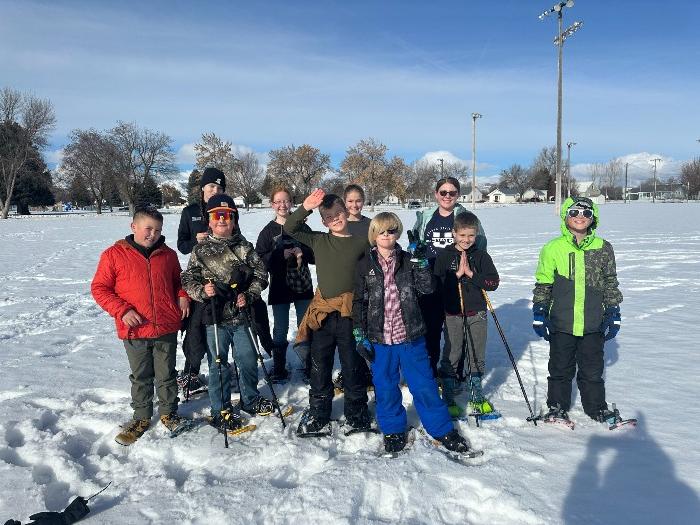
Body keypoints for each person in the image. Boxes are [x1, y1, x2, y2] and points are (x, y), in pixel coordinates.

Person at [353, 212, 473, 454]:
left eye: (392, 230)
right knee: (385, 387)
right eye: (382, 231)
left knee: (424, 385)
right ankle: (393, 429)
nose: (388, 235)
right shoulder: (364, 264)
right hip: (379, 338)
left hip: (410, 335)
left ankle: (441, 429)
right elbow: (359, 301)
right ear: (374, 234)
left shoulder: (409, 260)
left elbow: (427, 288)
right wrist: (359, 332)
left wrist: (421, 263)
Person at [91, 205, 191, 445]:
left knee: (167, 374)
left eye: (157, 230)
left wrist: (183, 294)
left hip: (165, 325)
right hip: (135, 329)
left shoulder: (168, 255)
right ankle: (142, 417)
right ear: (133, 227)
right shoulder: (114, 255)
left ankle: (169, 413)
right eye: (148, 229)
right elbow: (99, 288)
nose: (152, 234)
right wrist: (122, 310)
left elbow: (179, 281)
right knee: (141, 376)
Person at [181, 194, 274, 434]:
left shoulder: (244, 247)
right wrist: (203, 290)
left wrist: (249, 295)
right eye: (217, 216)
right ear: (209, 221)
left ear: (234, 220)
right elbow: (188, 278)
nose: (222, 220)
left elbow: (260, 275)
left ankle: (250, 399)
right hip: (214, 319)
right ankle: (219, 409)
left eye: (227, 216)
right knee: (218, 364)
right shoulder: (199, 251)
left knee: (247, 359)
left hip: (241, 317)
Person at [284, 189, 371, 436]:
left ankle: (357, 412)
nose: (336, 219)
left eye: (339, 214)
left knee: (352, 364)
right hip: (322, 315)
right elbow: (292, 227)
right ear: (323, 222)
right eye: (330, 217)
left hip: (348, 314)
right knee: (319, 365)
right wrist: (306, 206)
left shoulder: (360, 241)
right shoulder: (319, 240)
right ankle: (319, 412)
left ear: (346, 212)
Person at [532, 196, 625, 424]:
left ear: (593, 218)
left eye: (586, 213)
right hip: (562, 321)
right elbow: (544, 282)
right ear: (566, 216)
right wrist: (540, 311)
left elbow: (610, 282)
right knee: (560, 369)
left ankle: (596, 408)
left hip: (593, 322)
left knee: (592, 370)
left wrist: (613, 312)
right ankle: (556, 407)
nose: (580, 217)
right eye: (574, 212)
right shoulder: (553, 248)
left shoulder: (603, 248)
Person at [411, 177, 487, 377]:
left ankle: (455, 373)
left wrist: (472, 271)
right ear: (436, 194)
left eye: (452, 193)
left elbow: (480, 245)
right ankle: (429, 371)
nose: (447, 196)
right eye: (443, 192)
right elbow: (416, 245)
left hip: (458, 281)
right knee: (430, 329)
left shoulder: (466, 217)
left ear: (458, 195)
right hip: (431, 281)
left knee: (457, 330)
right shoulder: (426, 216)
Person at [433, 211, 499, 418]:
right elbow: (436, 285)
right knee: (453, 352)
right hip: (453, 313)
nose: (466, 240)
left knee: (476, 353)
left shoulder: (481, 256)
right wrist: (456, 276)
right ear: (453, 233)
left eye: (471, 235)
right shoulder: (444, 256)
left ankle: (476, 394)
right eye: (462, 235)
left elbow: (493, 283)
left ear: (476, 234)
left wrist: (472, 275)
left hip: (477, 312)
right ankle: (449, 395)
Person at [255, 186, 314, 382]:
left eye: (286, 201)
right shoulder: (267, 232)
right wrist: (279, 254)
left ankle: (308, 365)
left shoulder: (301, 227)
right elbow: (259, 260)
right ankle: (279, 367)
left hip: (302, 285)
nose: (282, 205)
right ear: (272, 205)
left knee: (304, 324)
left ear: (291, 203)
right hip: (279, 286)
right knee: (280, 327)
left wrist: (301, 251)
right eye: (278, 201)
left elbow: (315, 254)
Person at [176, 167, 225, 396]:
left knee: (221, 326)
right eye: (211, 187)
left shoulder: (226, 210)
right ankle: (191, 372)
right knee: (194, 329)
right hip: (197, 277)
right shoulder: (190, 211)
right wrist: (195, 241)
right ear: (203, 188)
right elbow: (181, 245)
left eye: (219, 187)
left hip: (221, 276)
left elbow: (237, 237)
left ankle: (222, 369)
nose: (215, 191)